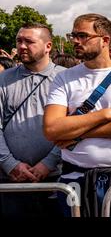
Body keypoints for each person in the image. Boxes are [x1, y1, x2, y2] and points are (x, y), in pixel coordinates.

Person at [44, 13, 111, 217]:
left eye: (82, 35)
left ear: (105, 40)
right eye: (73, 35)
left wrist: (75, 133)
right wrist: (106, 114)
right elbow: (51, 128)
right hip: (74, 177)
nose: (75, 41)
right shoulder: (63, 78)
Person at [0, 22, 65, 217]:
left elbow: (73, 128)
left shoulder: (67, 78)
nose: (21, 46)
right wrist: (10, 164)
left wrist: (49, 163)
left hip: (57, 180)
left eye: (29, 41)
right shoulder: (3, 79)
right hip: (10, 181)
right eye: (19, 41)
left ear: (48, 46)